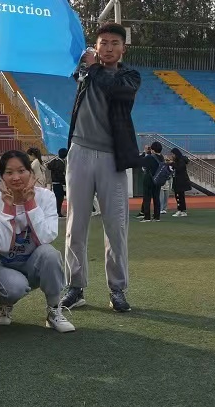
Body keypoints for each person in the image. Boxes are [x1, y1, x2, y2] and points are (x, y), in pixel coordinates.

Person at [61, 22, 141, 314]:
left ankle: (117, 289)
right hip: (80, 151)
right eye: (102, 43)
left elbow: (114, 90)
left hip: (112, 156)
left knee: (115, 226)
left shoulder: (129, 77)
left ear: (123, 49)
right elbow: (70, 62)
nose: (108, 48)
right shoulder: (84, 72)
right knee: (75, 224)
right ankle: (75, 286)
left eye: (114, 43)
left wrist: (93, 67)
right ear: (95, 47)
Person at [0, 150, 75, 333]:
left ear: (31, 173)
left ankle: (54, 310)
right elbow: (1, 246)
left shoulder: (46, 197)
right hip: (2, 265)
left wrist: (30, 203)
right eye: (9, 172)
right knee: (15, 287)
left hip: (32, 264)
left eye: (21, 171)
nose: (16, 177)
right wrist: (8, 207)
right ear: (2, 177)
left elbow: (46, 237)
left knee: (50, 254)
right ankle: (4, 303)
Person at [139, 142, 165, 222]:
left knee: (147, 198)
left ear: (153, 149)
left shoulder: (149, 157)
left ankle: (147, 217)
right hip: (157, 179)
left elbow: (140, 161)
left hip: (148, 179)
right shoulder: (162, 157)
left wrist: (144, 152)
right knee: (156, 197)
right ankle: (157, 216)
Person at [46, 148, 68, 218]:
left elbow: (49, 166)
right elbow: (60, 175)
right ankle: (58, 212)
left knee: (58, 198)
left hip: (54, 182)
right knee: (59, 198)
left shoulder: (55, 161)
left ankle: (57, 212)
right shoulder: (61, 163)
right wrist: (64, 182)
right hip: (59, 183)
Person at [170, 147, 191, 217]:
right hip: (177, 180)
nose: (172, 156)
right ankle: (180, 209)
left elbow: (179, 168)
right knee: (178, 196)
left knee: (180, 196)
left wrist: (172, 164)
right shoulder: (177, 161)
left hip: (181, 181)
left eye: (173, 154)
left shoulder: (181, 160)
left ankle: (182, 210)